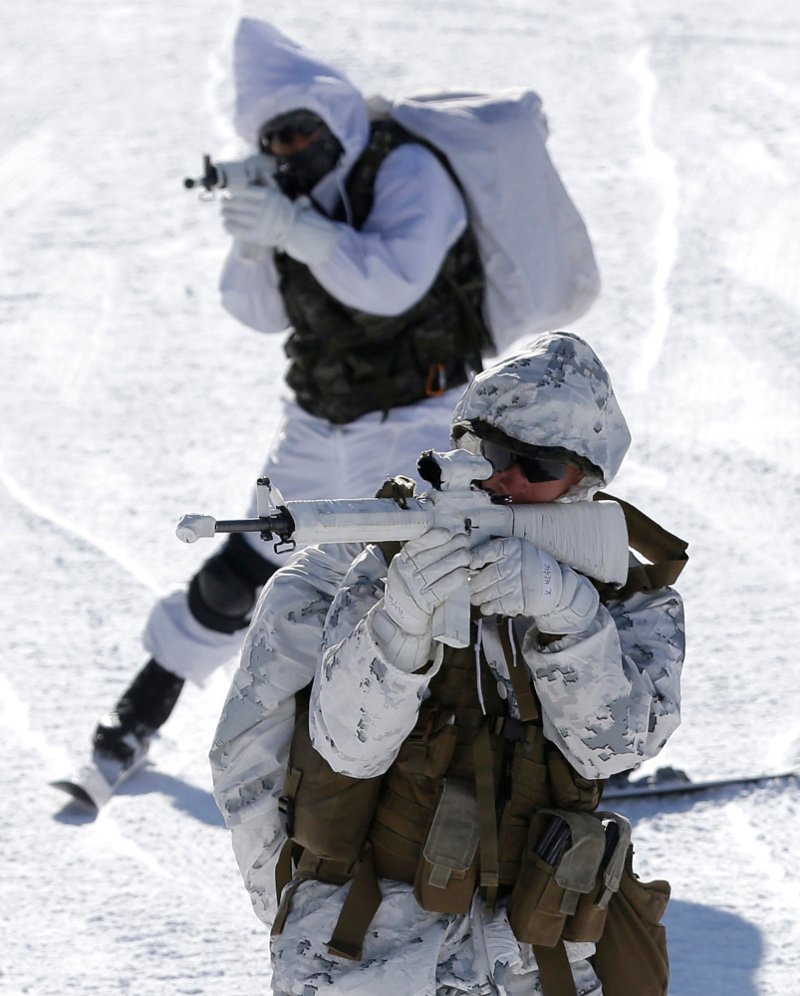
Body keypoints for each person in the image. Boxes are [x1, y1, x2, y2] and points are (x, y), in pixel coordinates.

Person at [210, 331, 686, 996]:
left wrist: (571, 617)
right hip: (367, 951)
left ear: (586, 482)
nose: (506, 480)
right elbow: (267, 758)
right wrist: (397, 626)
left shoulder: (619, 591)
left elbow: (616, 748)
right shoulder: (344, 570)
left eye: (539, 468)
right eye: (491, 452)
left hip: (542, 949)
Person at [89, 18, 494, 774]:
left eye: (301, 133)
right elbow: (256, 312)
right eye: (275, 140)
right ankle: (141, 711)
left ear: (333, 115)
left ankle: (515, 743)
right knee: (241, 567)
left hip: (421, 417)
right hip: (319, 422)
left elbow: (394, 281)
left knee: (436, 589)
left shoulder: (407, 170)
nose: (290, 152)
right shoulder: (291, 190)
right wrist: (255, 239)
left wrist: (293, 227)